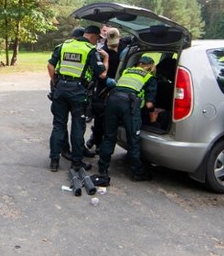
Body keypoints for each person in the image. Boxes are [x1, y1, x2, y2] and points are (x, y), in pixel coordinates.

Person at [47, 25, 106, 174]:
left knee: (58, 125)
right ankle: (76, 163)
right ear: (93, 36)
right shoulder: (89, 49)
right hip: (78, 92)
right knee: (77, 127)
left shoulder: (64, 45)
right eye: (97, 39)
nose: (96, 42)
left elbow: (50, 65)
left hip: (61, 89)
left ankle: (54, 161)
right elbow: (101, 73)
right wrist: (106, 58)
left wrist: (55, 83)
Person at [94, 55, 157, 185]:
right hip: (129, 104)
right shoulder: (149, 77)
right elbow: (149, 104)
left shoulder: (127, 71)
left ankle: (103, 168)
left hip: (112, 101)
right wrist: (152, 113)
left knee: (109, 136)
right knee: (133, 139)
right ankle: (137, 172)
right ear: (150, 66)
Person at [86, 27, 121, 155]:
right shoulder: (102, 52)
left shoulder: (123, 49)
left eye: (115, 43)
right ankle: (97, 141)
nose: (113, 45)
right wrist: (106, 79)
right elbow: (99, 73)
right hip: (103, 88)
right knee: (100, 117)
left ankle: (94, 140)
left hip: (118, 87)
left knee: (110, 118)